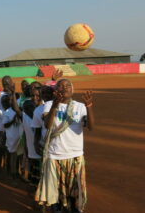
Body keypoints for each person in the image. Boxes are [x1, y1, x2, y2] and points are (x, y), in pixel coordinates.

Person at [35, 79, 94, 212]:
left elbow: (90, 126)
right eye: (60, 86)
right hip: (54, 156)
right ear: (56, 90)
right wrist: (55, 106)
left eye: (68, 85)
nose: (64, 88)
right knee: (56, 195)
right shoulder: (49, 105)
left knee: (74, 194)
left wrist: (89, 106)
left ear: (72, 90)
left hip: (75, 156)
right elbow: (47, 125)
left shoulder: (80, 106)